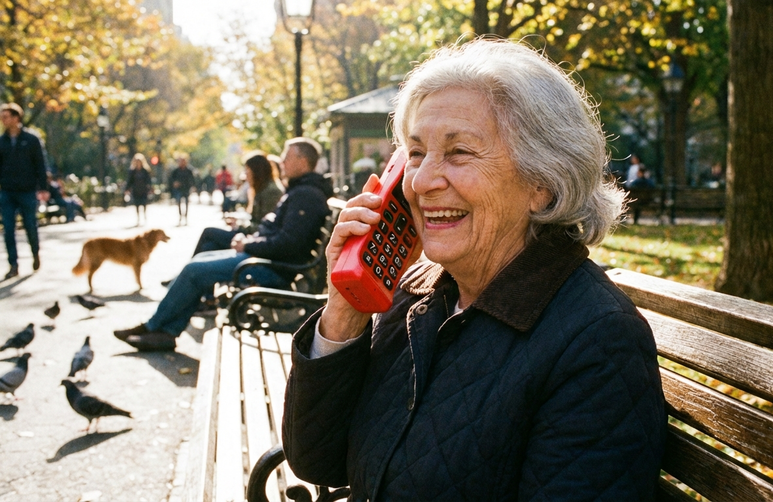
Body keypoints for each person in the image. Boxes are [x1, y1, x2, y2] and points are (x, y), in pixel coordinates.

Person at [282, 39, 666, 500]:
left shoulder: (598, 342)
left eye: (459, 152)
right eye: (417, 153)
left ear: (542, 183)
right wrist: (346, 311)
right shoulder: (418, 290)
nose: (421, 182)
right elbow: (316, 459)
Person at [113, 137, 331, 351]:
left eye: (286, 158)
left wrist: (248, 245)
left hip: (274, 269)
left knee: (195, 269)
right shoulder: (300, 191)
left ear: (302, 161)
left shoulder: (306, 195)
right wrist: (249, 240)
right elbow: (279, 236)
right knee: (200, 260)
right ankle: (164, 331)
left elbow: (287, 245)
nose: (281, 162)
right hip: (266, 261)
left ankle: (155, 328)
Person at [192, 151, 285, 256]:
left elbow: (264, 226)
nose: (246, 174)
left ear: (256, 171)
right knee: (208, 247)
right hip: (251, 236)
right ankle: (193, 269)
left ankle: (189, 269)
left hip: (254, 239)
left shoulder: (271, 191)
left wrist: (239, 225)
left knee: (208, 232)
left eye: (247, 170)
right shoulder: (262, 188)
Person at [0, 103, 50, 279]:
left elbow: (40, 165)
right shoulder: (1, 141)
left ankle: (35, 253)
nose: (3, 119)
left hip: (27, 191)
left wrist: (43, 187)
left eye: (6, 116)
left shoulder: (31, 139)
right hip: (7, 191)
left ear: (16, 118)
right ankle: (13, 265)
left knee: (30, 225)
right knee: (8, 228)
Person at [126, 153, 153, 226]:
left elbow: (148, 180)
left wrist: (150, 188)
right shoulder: (132, 171)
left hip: (144, 190)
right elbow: (129, 181)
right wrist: (127, 189)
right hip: (136, 190)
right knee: (137, 204)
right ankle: (138, 218)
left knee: (144, 204)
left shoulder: (145, 171)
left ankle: (144, 217)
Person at [169, 155, 195, 225]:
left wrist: (192, 186)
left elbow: (192, 179)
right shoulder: (176, 171)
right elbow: (171, 179)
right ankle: (180, 217)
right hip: (179, 189)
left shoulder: (189, 171)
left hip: (186, 189)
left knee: (186, 203)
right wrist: (174, 183)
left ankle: (186, 217)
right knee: (179, 203)